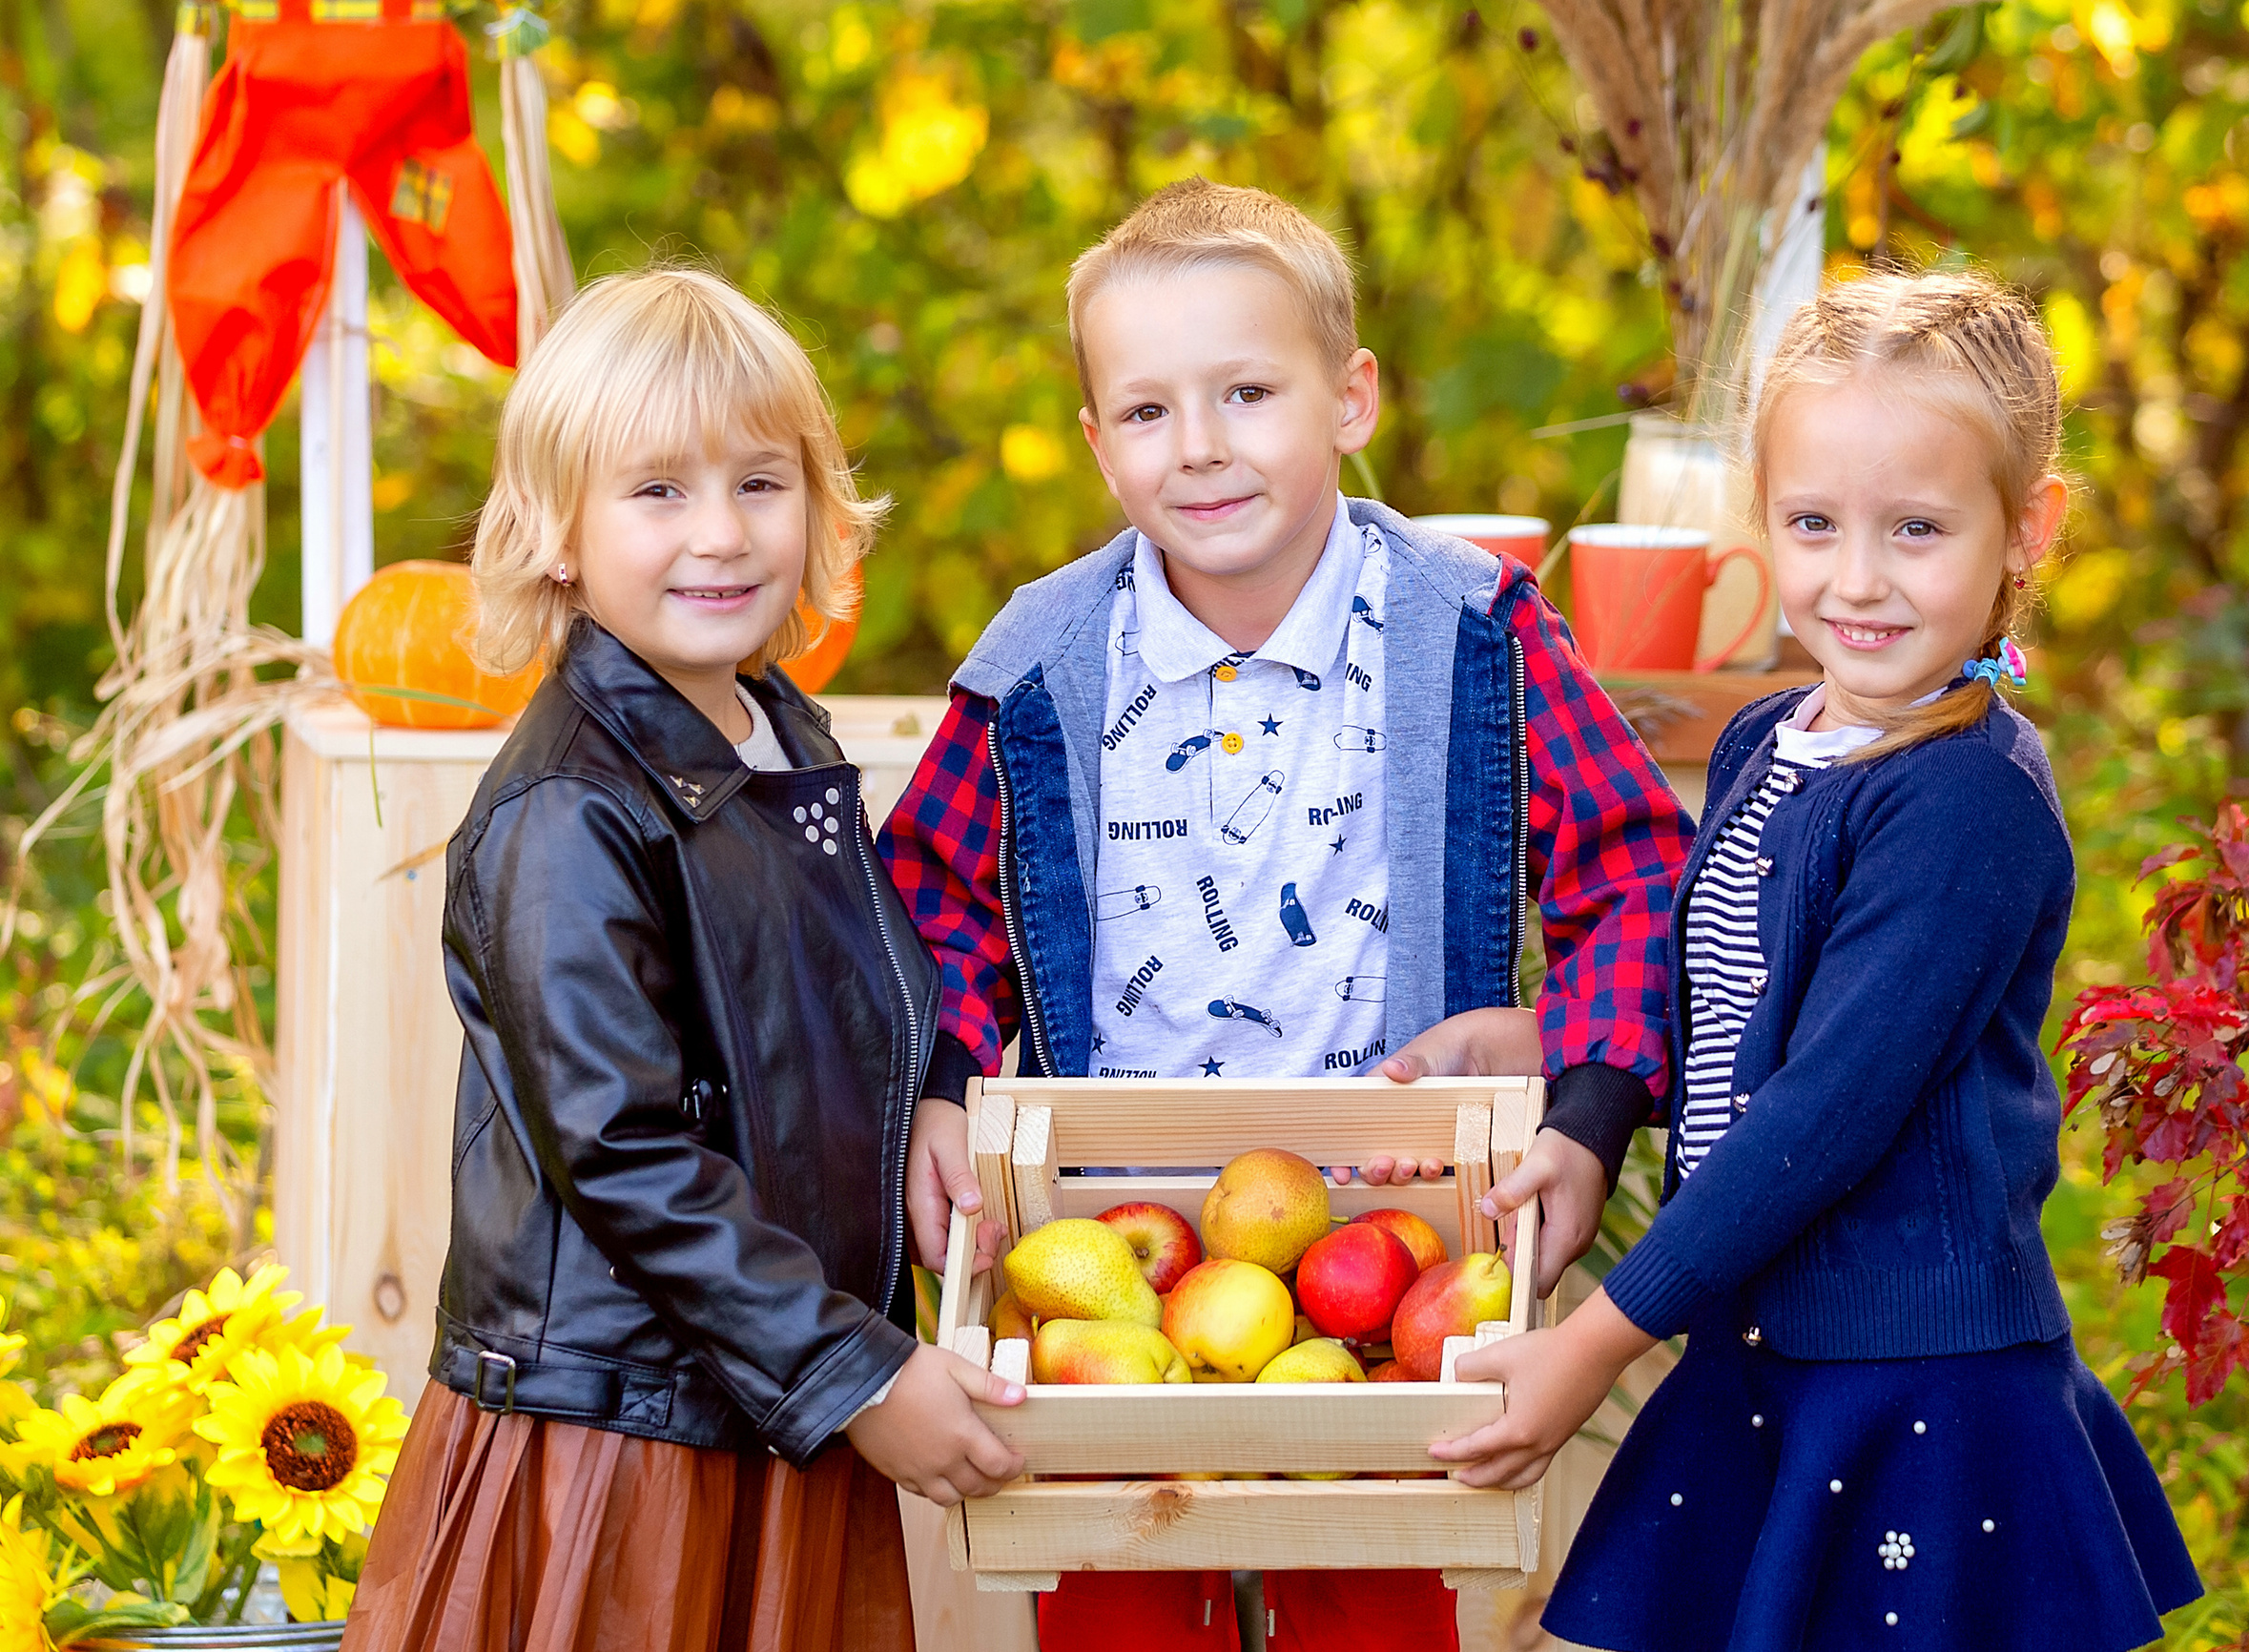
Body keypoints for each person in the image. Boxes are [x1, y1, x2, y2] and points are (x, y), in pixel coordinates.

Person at [877, 178, 1690, 1652]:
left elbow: (1637, 875)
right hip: (1106, 1241)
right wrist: (941, 1077)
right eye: (1145, 411)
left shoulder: (1473, 632)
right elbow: (927, 897)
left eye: (1248, 392)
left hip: (1394, 1222)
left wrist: (1585, 1105)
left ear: (1350, 398)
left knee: (1366, 1593)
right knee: (1120, 1593)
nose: (1200, 448)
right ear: (1095, 443)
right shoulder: (1041, 664)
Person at [1429, 269, 2204, 1651]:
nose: (1858, 579)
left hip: (1918, 1380)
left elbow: (1823, 1110)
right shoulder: (1770, 741)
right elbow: (1737, 1006)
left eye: (1917, 528)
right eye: (1813, 524)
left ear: (2029, 528)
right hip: (1770, 1346)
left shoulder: (1966, 802)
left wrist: (1593, 1341)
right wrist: (1555, 1049)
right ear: (1761, 522)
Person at [341, 268, 1026, 1652]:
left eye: (760, 484)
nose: (720, 534)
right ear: (556, 533)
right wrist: (858, 1375)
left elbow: (833, 1028)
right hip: (626, 1442)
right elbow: (621, 1153)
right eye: (657, 492)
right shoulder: (569, 813)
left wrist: (930, 1111)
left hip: (774, 1394)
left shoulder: (785, 742)